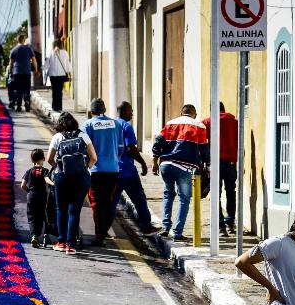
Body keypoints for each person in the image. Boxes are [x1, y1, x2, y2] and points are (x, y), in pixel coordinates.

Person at [152, 104, 209, 242]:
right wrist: (207, 166)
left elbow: (158, 143)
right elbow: (204, 150)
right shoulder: (199, 126)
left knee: (168, 194)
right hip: (185, 167)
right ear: (194, 114)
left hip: (166, 165)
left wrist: (155, 162)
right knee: (184, 199)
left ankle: (165, 227)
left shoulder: (170, 123)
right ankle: (177, 233)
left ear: (181, 112)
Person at [47, 112, 97, 253]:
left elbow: (49, 159)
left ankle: (61, 242)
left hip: (62, 177)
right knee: (74, 211)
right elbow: (94, 157)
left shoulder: (57, 137)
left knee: (61, 209)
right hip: (80, 178)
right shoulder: (83, 136)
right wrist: (85, 168)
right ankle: (71, 245)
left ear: (60, 124)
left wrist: (58, 168)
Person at [81, 98, 123, 247]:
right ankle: (104, 231)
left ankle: (100, 235)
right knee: (108, 202)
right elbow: (121, 148)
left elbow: (84, 149)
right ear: (104, 110)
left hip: (96, 171)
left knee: (96, 203)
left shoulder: (87, 125)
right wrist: (112, 160)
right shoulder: (116, 124)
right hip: (113, 170)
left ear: (91, 111)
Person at [113, 102, 159, 234]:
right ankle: (146, 227)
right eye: (131, 111)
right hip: (128, 171)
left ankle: (103, 230)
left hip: (114, 170)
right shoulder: (126, 126)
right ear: (125, 111)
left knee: (111, 203)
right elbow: (131, 148)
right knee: (139, 200)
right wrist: (143, 163)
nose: (132, 113)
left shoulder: (113, 125)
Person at [202, 102, 240, 237]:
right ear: (224, 109)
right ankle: (230, 222)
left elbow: (203, 143)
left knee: (216, 195)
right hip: (231, 162)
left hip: (214, 162)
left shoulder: (207, 122)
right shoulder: (235, 122)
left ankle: (221, 227)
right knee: (231, 191)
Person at [21, 149, 55, 248]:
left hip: (31, 196)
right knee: (43, 216)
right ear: (43, 159)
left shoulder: (29, 171)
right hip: (42, 197)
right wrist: (53, 184)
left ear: (32, 160)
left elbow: (23, 185)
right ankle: (44, 235)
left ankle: (34, 236)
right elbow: (46, 179)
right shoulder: (45, 171)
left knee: (32, 217)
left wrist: (29, 192)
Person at [8, 34, 36, 112]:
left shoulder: (13, 50)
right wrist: (36, 69)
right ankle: (27, 102)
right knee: (27, 88)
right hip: (27, 72)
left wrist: (10, 72)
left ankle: (19, 105)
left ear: (18, 40)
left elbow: (11, 63)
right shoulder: (28, 49)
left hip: (17, 73)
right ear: (24, 40)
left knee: (18, 89)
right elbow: (34, 60)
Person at [43, 40, 71, 112]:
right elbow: (67, 64)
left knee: (54, 91)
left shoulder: (52, 53)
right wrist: (69, 72)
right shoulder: (65, 53)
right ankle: (59, 107)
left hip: (53, 75)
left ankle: (54, 107)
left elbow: (47, 64)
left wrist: (41, 69)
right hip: (61, 75)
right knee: (59, 91)